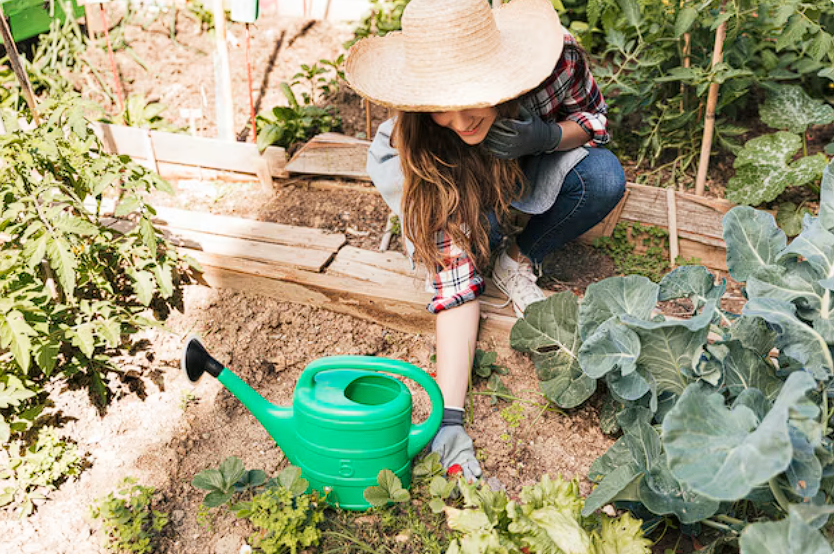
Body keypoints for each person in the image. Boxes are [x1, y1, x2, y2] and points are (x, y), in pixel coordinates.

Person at [345, 0, 626, 480]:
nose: (459, 119)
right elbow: (454, 283)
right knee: (468, 242)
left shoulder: (553, 62)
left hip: (523, 147)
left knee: (602, 178)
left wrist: (544, 137)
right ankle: (487, 231)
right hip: (449, 173)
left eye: (471, 98)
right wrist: (448, 417)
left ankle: (518, 255)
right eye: (440, 107)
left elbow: (594, 121)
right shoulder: (423, 141)